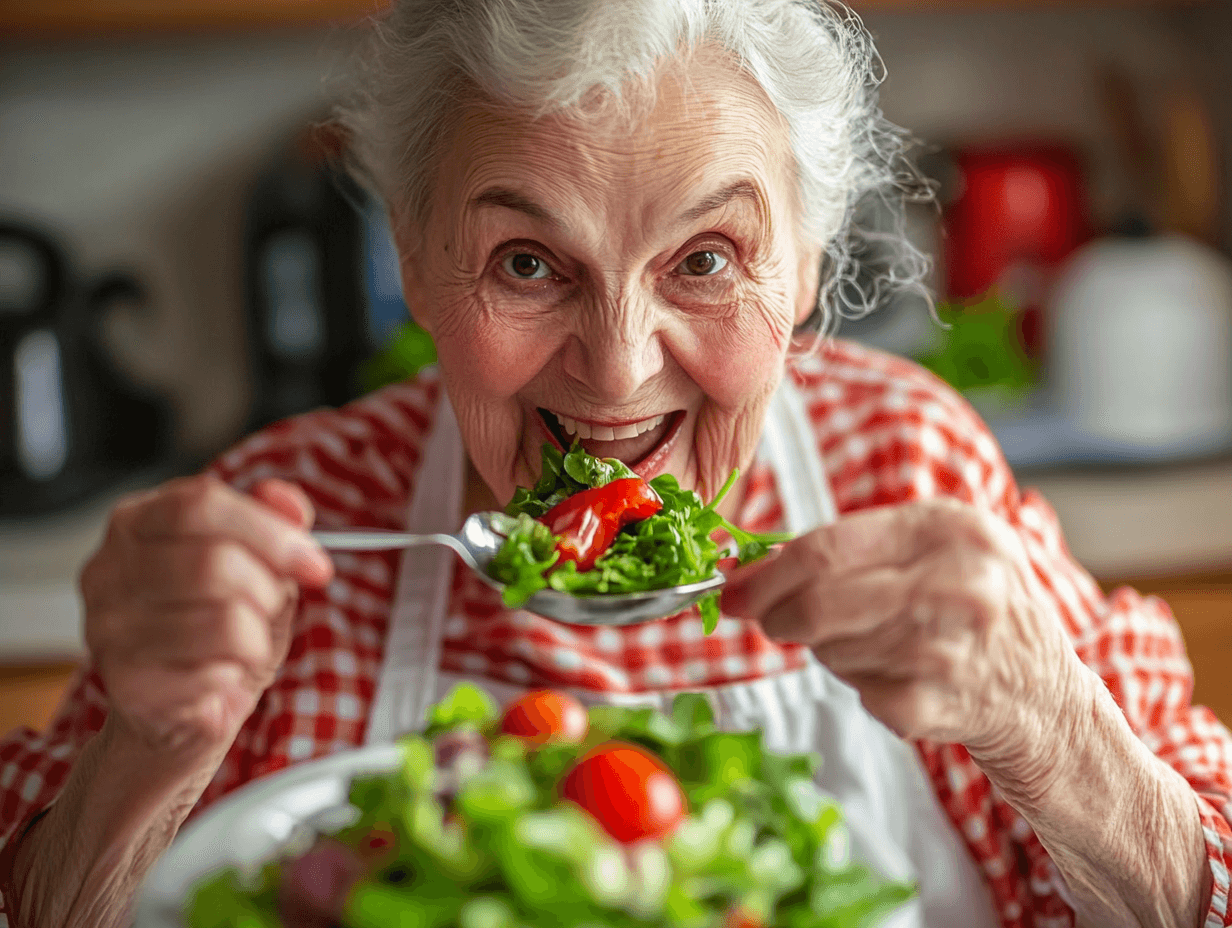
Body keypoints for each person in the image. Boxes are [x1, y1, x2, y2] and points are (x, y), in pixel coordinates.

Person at [3, 1, 1231, 926]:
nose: (616, 373)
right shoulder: (289, 521)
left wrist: (1051, 729)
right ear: (418, 265)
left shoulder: (903, 462)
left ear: (801, 271)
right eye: (528, 264)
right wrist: (145, 756)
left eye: (704, 258)